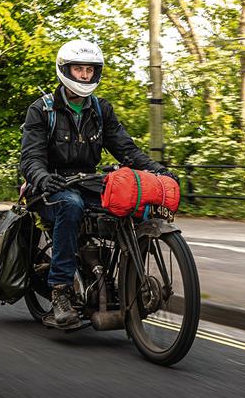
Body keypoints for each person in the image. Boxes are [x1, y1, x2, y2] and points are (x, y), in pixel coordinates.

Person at [19, 39, 178, 328]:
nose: (83, 75)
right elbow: (30, 159)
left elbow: (127, 150)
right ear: (64, 70)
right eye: (78, 69)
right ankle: (61, 292)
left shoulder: (101, 110)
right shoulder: (41, 110)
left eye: (89, 70)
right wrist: (43, 178)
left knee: (130, 203)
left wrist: (159, 171)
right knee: (71, 204)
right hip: (49, 188)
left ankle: (115, 278)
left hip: (88, 182)